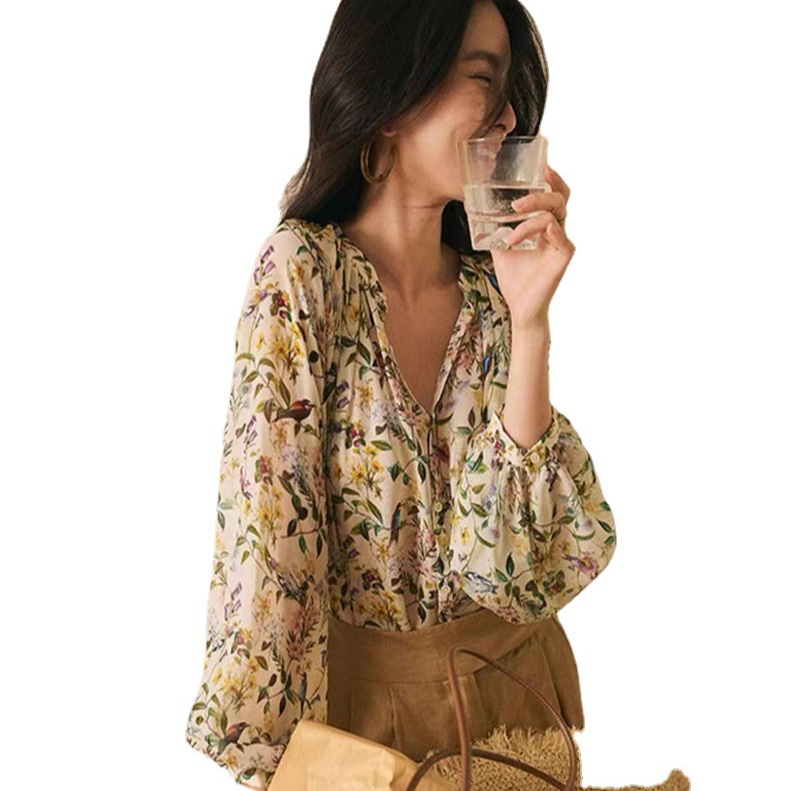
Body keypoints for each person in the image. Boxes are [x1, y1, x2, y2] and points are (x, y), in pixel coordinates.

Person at [183, 0, 617, 788]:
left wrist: (529, 321)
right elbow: (268, 554)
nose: (508, 116)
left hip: (516, 716)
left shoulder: (489, 295)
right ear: (392, 96)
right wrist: (278, 764)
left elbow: (511, 572)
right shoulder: (303, 274)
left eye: (511, 90)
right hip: (370, 735)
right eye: (483, 79)